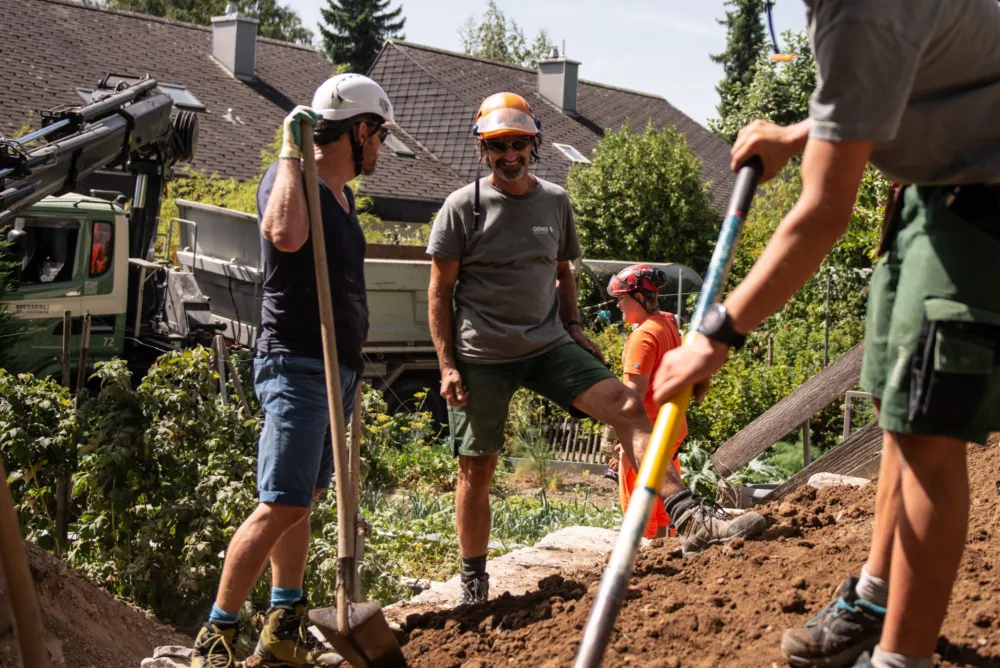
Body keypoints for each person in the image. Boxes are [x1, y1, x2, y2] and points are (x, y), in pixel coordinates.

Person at [651, 2, 1000, 667]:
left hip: (982, 200)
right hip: (929, 194)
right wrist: (799, 135)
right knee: (898, 416)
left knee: (928, 436)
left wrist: (716, 335)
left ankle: (901, 660)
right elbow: (891, 80)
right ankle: (875, 601)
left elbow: (822, 212)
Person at [426, 92, 767, 605]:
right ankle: (473, 584)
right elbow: (439, 290)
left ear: (534, 143)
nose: (510, 154)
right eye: (498, 145)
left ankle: (690, 518)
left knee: (628, 408)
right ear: (483, 148)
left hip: (547, 345)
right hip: (483, 354)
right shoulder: (462, 208)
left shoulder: (554, 201)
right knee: (478, 466)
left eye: (518, 143)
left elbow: (563, 269)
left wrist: (573, 324)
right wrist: (447, 364)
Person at [192, 73, 394, 668]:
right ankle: (215, 636)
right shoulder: (288, 180)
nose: (381, 148)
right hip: (298, 363)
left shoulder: (343, 198)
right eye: (380, 134)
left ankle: (283, 624)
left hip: (335, 368)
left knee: (301, 499)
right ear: (360, 131)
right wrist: (289, 154)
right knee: (280, 500)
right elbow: (284, 235)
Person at [605, 264, 687, 540]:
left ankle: (641, 552)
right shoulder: (668, 323)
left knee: (640, 507)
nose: (618, 305)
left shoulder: (643, 336)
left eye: (621, 298)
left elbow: (633, 394)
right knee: (664, 501)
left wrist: (619, 438)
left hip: (645, 434)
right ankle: (663, 550)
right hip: (670, 428)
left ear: (639, 297)